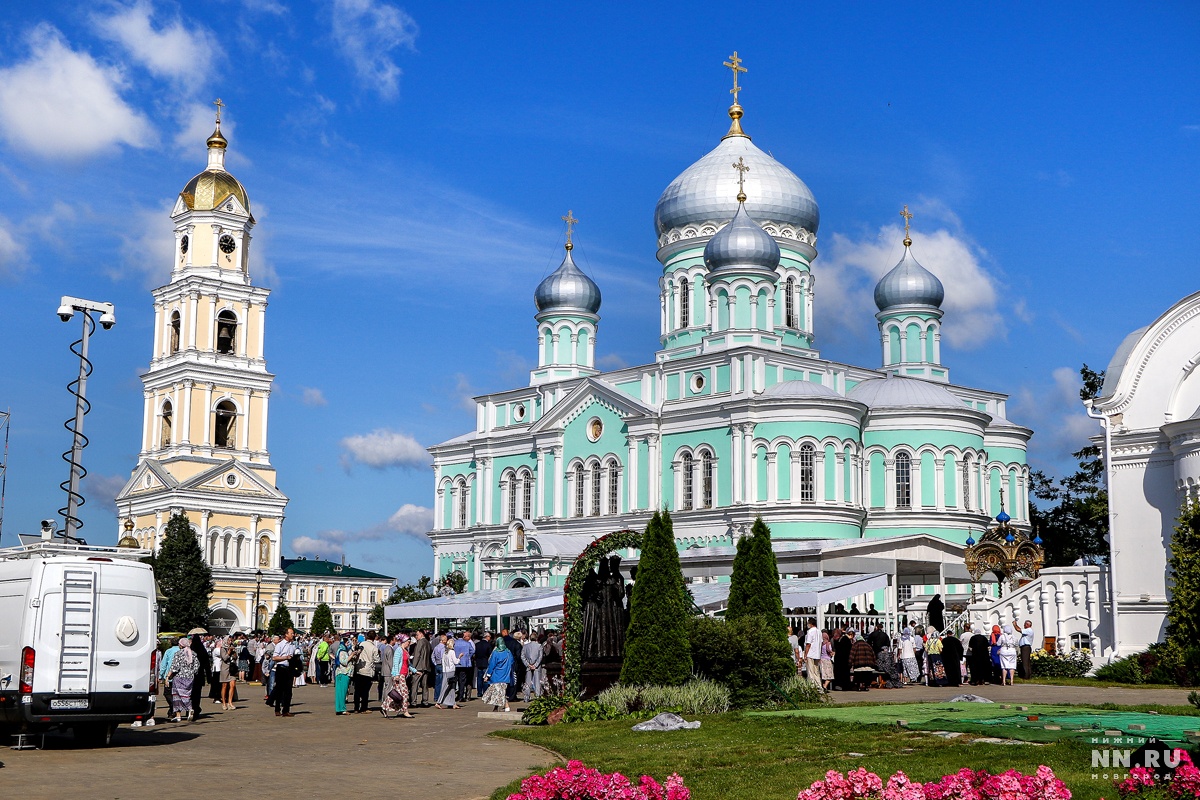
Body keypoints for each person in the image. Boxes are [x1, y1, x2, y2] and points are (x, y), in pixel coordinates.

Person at [168, 637, 200, 722]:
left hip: (179, 677)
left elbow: (175, 667)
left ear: (181, 645)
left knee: (177, 695)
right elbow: (197, 666)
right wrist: (191, 672)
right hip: (190, 678)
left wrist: (168, 676)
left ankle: (179, 715)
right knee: (187, 694)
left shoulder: (178, 654)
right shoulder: (193, 654)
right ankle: (189, 710)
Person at [381, 635, 414, 718]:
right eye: (408, 642)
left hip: (403, 675)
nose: (409, 644)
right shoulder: (399, 651)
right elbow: (395, 663)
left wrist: (415, 671)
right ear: (404, 641)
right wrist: (396, 675)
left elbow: (408, 664)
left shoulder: (405, 651)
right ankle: (405, 711)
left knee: (397, 694)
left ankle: (384, 707)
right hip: (400, 675)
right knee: (405, 693)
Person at [271, 628, 299, 716]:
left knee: (288, 691)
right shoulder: (280, 644)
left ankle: (286, 710)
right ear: (286, 634)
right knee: (279, 689)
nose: (293, 635)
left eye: (293, 633)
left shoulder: (292, 645)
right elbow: (274, 657)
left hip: (289, 669)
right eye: (291, 633)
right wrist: (285, 657)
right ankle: (277, 709)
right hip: (281, 668)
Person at [482, 637, 513, 712]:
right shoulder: (508, 652)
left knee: (498, 692)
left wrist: (488, 675)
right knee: (501, 692)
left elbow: (492, 665)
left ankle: (505, 706)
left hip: (496, 675)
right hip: (506, 675)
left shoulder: (496, 653)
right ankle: (498, 707)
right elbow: (512, 662)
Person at [353, 631, 380, 714]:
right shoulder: (374, 648)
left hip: (358, 668)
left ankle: (356, 708)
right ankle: (363, 707)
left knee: (357, 690)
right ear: (374, 637)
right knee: (365, 690)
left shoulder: (361, 644)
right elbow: (377, 660)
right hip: (368, 670)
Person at [190, 634, 211, 720]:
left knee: (190, 694)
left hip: (190, 675)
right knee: (197, 694)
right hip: (200, 675)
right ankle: (196, 708)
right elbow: (207, 665)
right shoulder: (203, 651)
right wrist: (209, 677)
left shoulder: (191, 651)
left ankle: (190, 709)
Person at [435, 636, 460, 709]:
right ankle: (438, 702)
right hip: (451, 671)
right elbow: (455, 661)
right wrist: (459, 657)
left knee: (452, 687)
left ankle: (453, 703)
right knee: (446, 686)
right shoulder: (452, 652)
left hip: (445, 670)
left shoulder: (445, 652)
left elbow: (443, 662)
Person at [409, 630, 433, 706]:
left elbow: (417, 655)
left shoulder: (420, 642)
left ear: (421, 634)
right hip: (426, 666)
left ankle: (413, 702)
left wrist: (413, 667)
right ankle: (425, 701)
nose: (416, 636)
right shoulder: (428, 642)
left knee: (415, 685)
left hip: (419, 667)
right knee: (424, 685)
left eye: (417, 634)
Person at [521, 630, 543, 702]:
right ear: (536, 638)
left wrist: (528, 664)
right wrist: (535, 665)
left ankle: (526, 696)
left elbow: (522, 656)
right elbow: (540, 657)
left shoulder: (525, 646)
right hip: (536, 666)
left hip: (529, 665)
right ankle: (537, 696)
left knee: (527, 682)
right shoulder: (539, 646)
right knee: (537, 681)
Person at [333, 637, 353, 714]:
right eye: (347, 643)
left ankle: (340, 708)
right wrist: (351, 656)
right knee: (342, 692)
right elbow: (344, 662)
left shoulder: (342, 651)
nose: (348, 644)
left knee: (341, 692)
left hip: (342, 673)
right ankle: (342, 709)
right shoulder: (342, 651)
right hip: (343, 673)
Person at [454, 631, 475, 702]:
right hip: (464, 663)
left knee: (455, 680)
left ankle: (455, 695)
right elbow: (472, 651)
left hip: (455, 663)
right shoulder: (467, 643)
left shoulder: (454, 643)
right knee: (462, 681)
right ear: (463, 636)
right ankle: (461, 696)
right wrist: (468, 656)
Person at [474, 631, 494, 699]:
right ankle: (485, 692)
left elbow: (475, 654)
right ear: (487, 637)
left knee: (479, 678)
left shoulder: (477, 644)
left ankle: (479, 692)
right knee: (485, 678)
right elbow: (490, 655)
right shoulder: (488, 645)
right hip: (486, 663)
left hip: (479, 663)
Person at [802, 620, 822, 689]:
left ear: (811, 624)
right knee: (816, 671)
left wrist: (805, 654)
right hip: (817, 654)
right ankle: (819, 686)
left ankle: (812, 687)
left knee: (810, 671)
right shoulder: (819, 632)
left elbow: (808, 644)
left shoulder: (810, 632)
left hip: (810, 653)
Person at [219, 637, 237, 710]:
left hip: (232, 669)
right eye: (228, 640)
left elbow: (236, 657)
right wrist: (229, 651)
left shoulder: (233, 647)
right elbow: (225, 658)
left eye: (231, 640)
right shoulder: (222, 648)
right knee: (224, 686)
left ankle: (230, 702)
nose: (230, 642)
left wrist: (234, 652)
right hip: (225, 668)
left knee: (233, 685)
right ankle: (224, 703)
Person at [378, 634, 395, 702]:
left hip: (385, 670)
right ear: (391, 641)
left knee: (386, 686)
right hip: (388, 671)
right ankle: (385, 701)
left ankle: (385, 700)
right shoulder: (389, 649)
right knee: (388, 687)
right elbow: (390, 662)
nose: (395, 641)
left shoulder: (387, 648)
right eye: (394, 640)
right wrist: (393, 671)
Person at [432, 633, 447, 702]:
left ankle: (436, 697)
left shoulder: (436, 647)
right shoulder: (443, 648)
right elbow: (442, 657)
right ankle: (440, 697)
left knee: (437, 682)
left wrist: (435, 663)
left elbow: (432, 656)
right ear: (443, 640)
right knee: (442, 682)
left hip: (437, 665)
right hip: (441, 665)